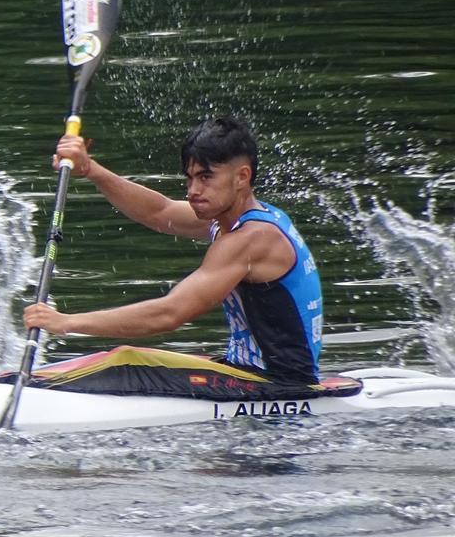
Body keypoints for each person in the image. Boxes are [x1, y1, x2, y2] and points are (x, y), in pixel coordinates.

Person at [22, 115, 324, 382]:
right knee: (128, 360)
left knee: (127, 359)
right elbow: (159, 212)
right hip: (247, 371)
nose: (193, 191)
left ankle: (33, 391)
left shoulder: (251, 238)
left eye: (206, 177)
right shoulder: (236, 219)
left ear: (242, 177)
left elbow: (169, 314)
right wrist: (91, 170)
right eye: (190, 178)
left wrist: (65, 323)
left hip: (278, 384)